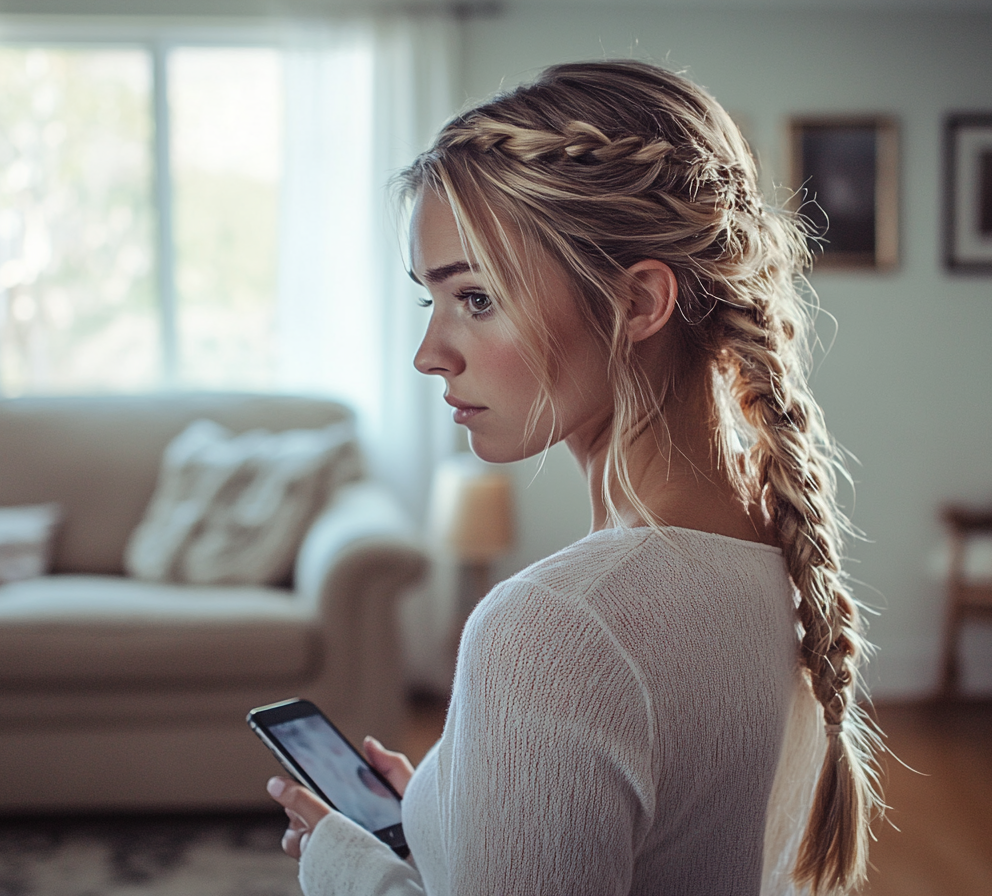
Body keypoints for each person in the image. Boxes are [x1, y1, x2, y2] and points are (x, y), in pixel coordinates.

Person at [266, 59, 881, 896]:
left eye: (476, 298)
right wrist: (458, 818)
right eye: (430, 302)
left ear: (637, 304)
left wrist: (352, 872)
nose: (429, 353)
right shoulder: (772, 561)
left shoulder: (557, 631)